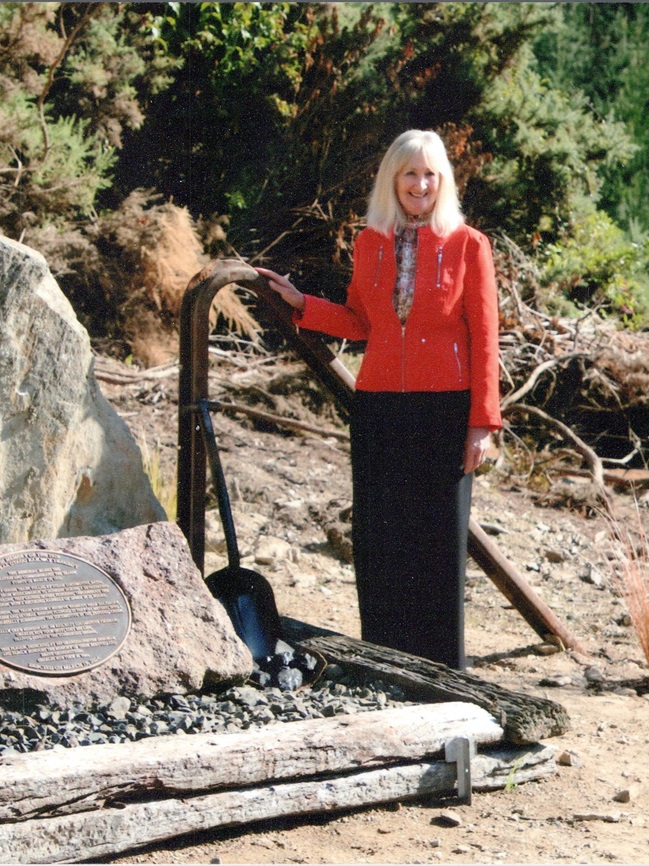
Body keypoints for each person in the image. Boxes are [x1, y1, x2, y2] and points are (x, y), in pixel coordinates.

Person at [255, 129, 501, 669]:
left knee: (437, 546)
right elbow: (361, 323)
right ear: (393, 179)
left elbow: (485, 337)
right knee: (381, 538)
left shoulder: (467, 244)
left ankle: (441, 672)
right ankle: (384, 665)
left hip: (445, 410)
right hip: (381, 408)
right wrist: (303, 304)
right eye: (410, 173)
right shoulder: (371, 242)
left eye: (430, 174)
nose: (420, 184)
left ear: (444, 182)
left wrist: (482, 423)